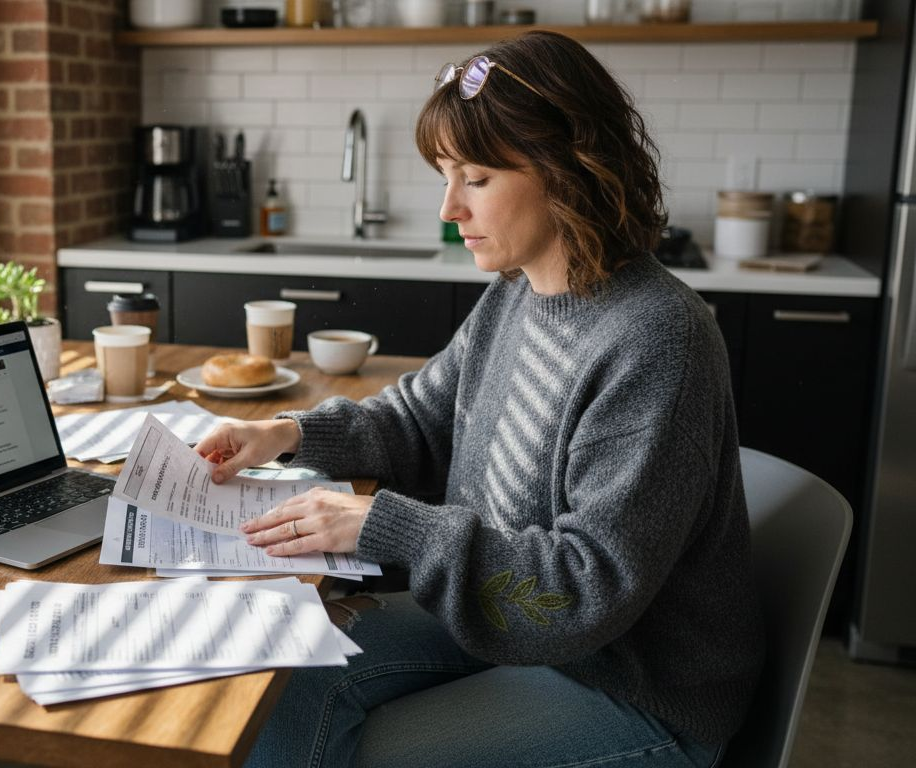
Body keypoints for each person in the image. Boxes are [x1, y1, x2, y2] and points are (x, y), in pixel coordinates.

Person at [195, 31, 763, 768]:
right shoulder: (516, 296)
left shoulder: (657, 339)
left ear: (569, 170)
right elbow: (417, 419)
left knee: (355, 752)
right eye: (445, 174)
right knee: (275, 683)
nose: (449, 207)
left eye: (477, 178)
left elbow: (582, 590)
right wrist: (285, 432)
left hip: (630, 683)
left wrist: (384, 526)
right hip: (508, 625)